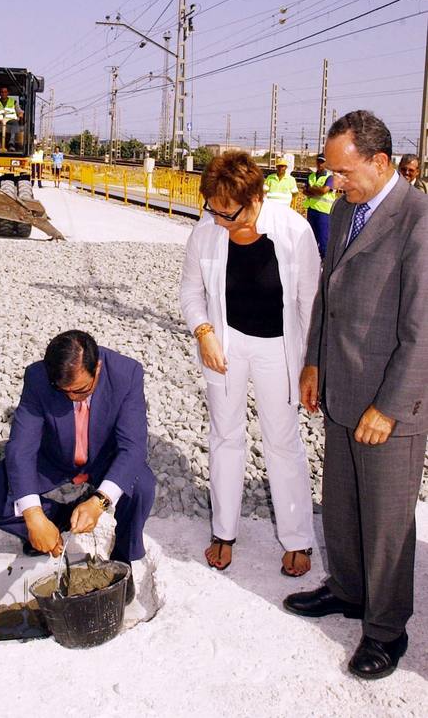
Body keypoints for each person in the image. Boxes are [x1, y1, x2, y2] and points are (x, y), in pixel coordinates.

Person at [284, 110, 428, 680]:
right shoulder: (346, 209)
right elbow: (329, 292)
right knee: (342, 504)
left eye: (343, 172)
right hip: (340, 383)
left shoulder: (418, 219)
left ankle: (387, 631)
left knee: (388, 521)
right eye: (331, 171)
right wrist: (314, 360)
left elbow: (422, 330)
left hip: (388, 402)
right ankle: (347, 590)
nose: (333, 183)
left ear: (380, 161)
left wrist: (390, 406)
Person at [180, 151, 320, 575]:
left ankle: (298, 538)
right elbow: (190, 292)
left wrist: (310, 365)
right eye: (213, 210)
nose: (219, 221)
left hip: (279, 348)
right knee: (225, 436)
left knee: (282, 440)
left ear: (256, 197)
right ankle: (223, 531)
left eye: (228, 213)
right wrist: (205, 334)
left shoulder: (294, 231)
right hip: (227, 343)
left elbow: (311, 305)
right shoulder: (206, 231)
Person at [0, 330, 156, 603]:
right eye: (62, 391)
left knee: (142, 487)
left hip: (104, 456)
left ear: (98, 367)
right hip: (53, 458)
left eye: (80, 390)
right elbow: (21, 448)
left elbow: (133, 447)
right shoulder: (37, 377)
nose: (71, 398)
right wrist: (33, 516)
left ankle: (122, 559)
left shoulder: (127, 373)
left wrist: (99, 502)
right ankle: (56, 521)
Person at [303, 152, 336, 258]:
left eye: (322, 162)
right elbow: (304, 191)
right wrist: (316, 189)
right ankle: (312, 259)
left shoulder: (330, 177)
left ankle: (324, 261)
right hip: (312, 210)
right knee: (312, 238)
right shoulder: (311, 176)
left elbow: (323, 191)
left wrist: (312, 189)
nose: (320, 164)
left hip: (324, 212)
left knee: (323, 239)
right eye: (318, 161)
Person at [0, 86, 24, 151]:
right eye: (2, 92)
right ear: (0, 93)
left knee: (15, 123)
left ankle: (11, 144)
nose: (3, 93)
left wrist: (19, 116)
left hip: (10, 120)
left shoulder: (13, 102)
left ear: (8, 93)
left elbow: (20, 112)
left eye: (5, 92)